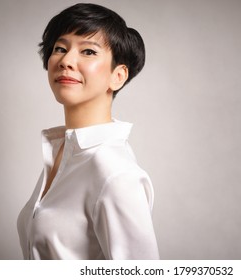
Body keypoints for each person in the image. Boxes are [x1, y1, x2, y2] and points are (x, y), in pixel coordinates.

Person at [17, 3, 159, 260]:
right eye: (60, 48)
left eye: (88, 51)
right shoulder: (62, 151)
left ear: (118, 76)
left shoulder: (115, 174)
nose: (66, 61)